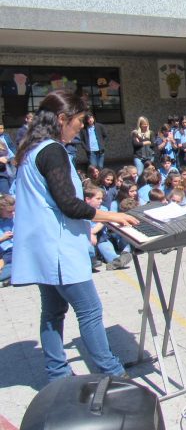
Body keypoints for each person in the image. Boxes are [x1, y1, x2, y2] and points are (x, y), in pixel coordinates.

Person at [11, 90, 138, 382]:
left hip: (42, 250)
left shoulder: (31, 150)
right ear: (62, 119)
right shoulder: (52, 151)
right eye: (80, 120)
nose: (83, 126)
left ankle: (57, 374)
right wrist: (113, 215)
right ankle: (112, 373)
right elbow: (69, 204)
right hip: (59, 250)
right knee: (90, 310)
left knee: (53, 312)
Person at [0, 194, 15, 287]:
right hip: (3, 252)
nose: (13, 213)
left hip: (13, 251)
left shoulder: (13, 218)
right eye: (9, 211)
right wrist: (3, 238)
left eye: (14, 210)